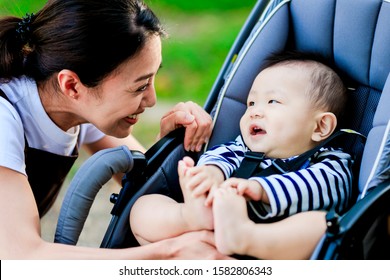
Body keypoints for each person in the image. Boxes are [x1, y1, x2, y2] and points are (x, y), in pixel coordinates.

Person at [0, 0, 231, 260]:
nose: (152, 100)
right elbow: (20, 255)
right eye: (140, 87)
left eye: (153, 79)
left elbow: (144, 190)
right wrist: (168, 254)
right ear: (72, 86)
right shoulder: (4, 117)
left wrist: (168, 147)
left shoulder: (74, 106)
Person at [129, 51, 353, 259]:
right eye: (251, 103)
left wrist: (261, 189)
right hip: (207, 239)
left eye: (273, 101)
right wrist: (210, 174)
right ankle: (190, 217)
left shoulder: (330, 160)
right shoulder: (243, 149)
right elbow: (220, 156)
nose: (254, 111)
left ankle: (245, 236)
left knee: (322, 225)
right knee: (143, 207)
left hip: (271, 248)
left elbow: (324, 187)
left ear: (320, 127)